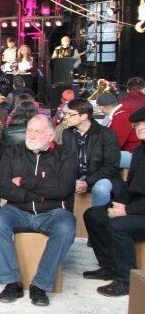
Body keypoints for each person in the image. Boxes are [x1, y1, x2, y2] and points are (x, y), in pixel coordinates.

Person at [0, 115, 76, 306]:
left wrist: (23, 181)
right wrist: (38, 195)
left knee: (66, 227)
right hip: (17, 209)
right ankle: (11, 282)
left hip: (53, 212)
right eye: (29, 130)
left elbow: (63, 189)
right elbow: (3, 187)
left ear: (51, 135)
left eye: (38, 131)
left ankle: (40, 285)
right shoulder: (13, 152)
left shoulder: (65, 155)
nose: (32, 135)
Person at [83, 108, 145, 296]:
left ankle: (126, 280)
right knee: (93, 215)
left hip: (139, 211)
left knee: (119, 225)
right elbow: (131, 185)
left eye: (144, 123)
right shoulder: (140, 150)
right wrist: (117, 203)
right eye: (137, 124)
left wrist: (127, 210)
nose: (139, 128)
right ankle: (109, 266)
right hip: (136, 207)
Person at [62, 98, 119, 208]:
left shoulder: (106, 134)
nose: (66, 117)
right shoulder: (67, 133)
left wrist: (87, 181)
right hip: (76, 178)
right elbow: (65, 161)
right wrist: (74, 180)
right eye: (66, 113)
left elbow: (111, 166)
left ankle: (98, 219)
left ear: (83, 116)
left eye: (70, 114)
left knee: (101, 189)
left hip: (101, 177)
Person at [97, 92, 141, 168]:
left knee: (94, 158)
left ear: (102, 108)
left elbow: (115, 144)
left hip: (134, 155)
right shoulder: (122, 111)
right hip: (133, 152)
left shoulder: (121, 117)